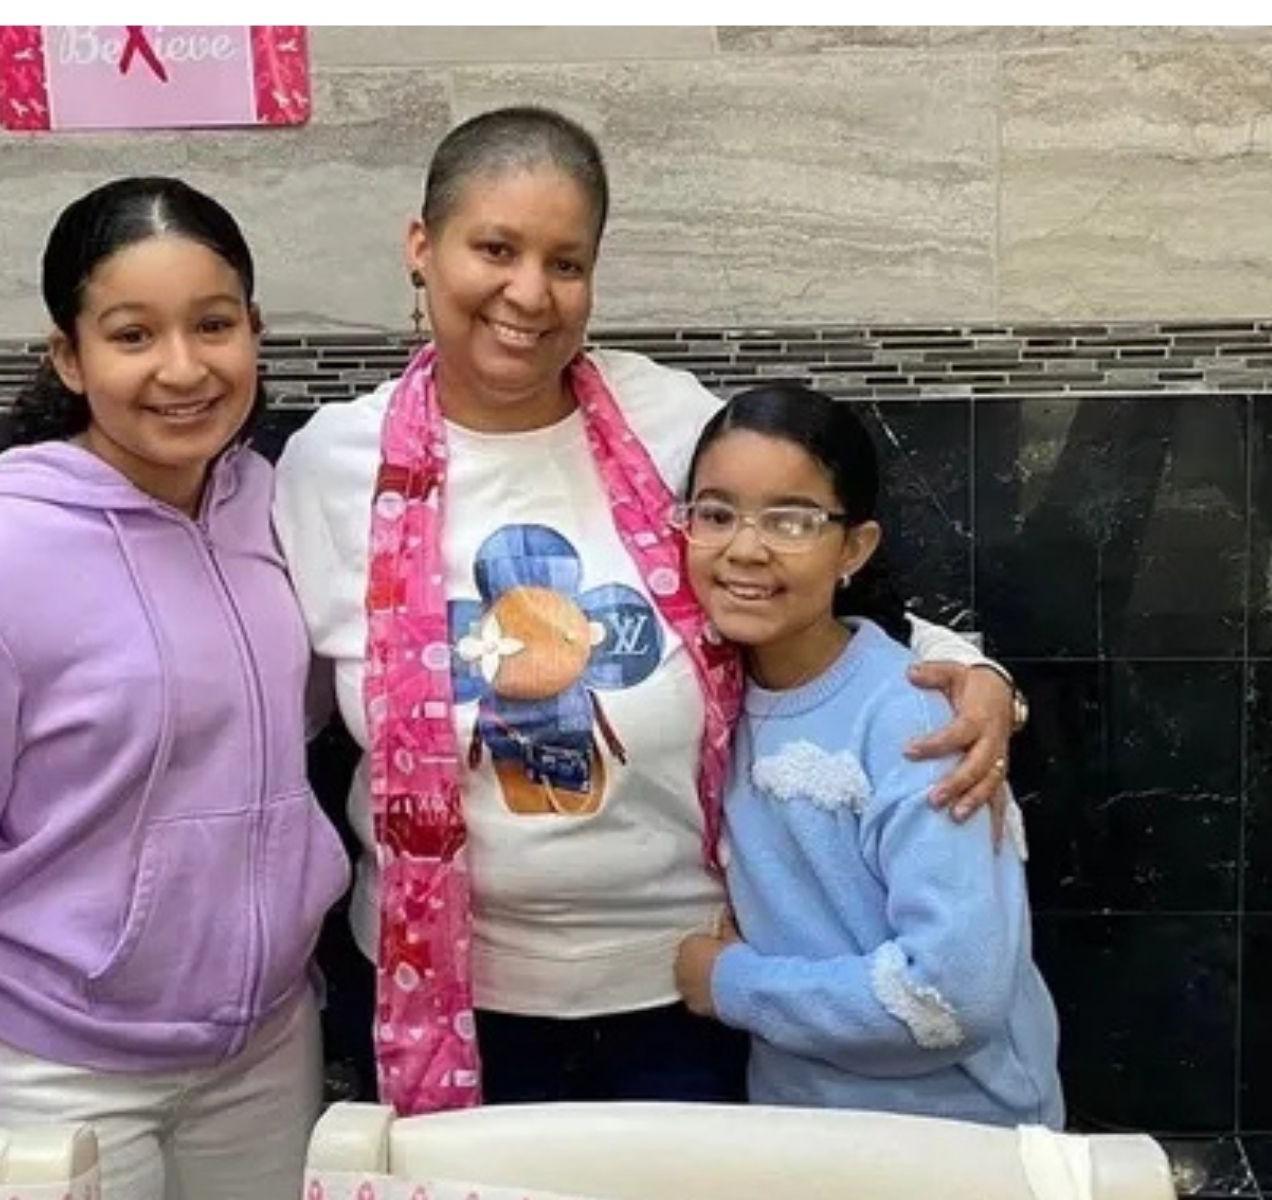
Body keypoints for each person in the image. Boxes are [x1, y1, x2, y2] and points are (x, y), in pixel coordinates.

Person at [271, 106, 1023, 1115]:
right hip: (439, 991)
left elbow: (807, 575)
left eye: (565, 262)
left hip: (684, 983)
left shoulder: (668, 422)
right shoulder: (330, 466)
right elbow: (268, 697)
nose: (528, 294)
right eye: (494, 248)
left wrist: (978, 679)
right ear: (421, 246)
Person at [0, 177, 350, 1200]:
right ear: (69, 358)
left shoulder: (279, 509)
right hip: (51, 1073)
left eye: (214, 324)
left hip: (263, 1053)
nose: (182, 369)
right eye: (133, 335)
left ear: (254, 330)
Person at [671, 382, 1062, 1127]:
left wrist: (731, 983)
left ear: (854, 547)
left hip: (953, 1139)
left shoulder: (914, 720)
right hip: (799, 1129)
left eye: (792, 520)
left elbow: (951, 994)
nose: (746, 548)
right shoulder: (707, 696)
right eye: (717, 514)